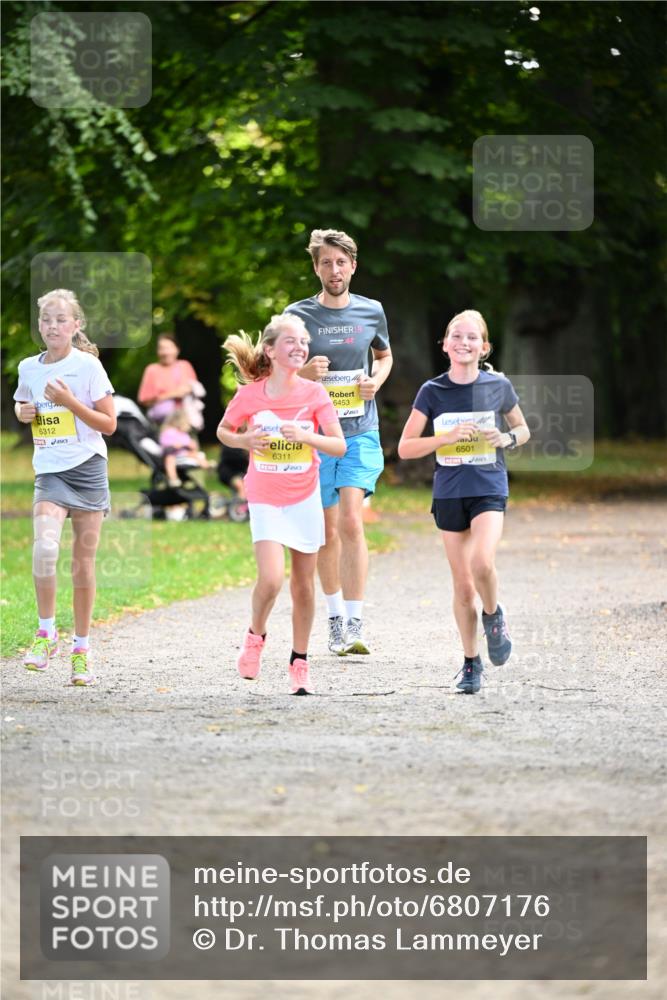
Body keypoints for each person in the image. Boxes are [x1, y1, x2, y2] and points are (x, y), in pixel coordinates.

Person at [398, 309, 530, 694]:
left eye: (472, 337)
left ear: (484, 346)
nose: (464, 342)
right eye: (456, 336)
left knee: (482, 562)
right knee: (461, 586)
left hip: (489, 485)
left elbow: (522, 429)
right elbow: (406, 448)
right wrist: (445, 437)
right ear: (444, 345)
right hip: (449, 491)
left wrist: (506, 439)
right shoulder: (432, 391)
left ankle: (494, 615)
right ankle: (471, 663)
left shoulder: (498, 386)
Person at [217, 313, 346, 695]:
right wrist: (245, 441)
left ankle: (300, 661)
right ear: (271, 350)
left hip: (305, 495)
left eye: (304, 341)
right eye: (291, 341)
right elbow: (224, 431)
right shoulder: (251, 395)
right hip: (265, 495)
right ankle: (255, 636)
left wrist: (308, 439)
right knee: (272, 579)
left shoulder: (315, 394)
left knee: (304, 585)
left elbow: (338, 444)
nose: (300, 347)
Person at [286, 228, 392, 657]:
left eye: (341, 262)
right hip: (315, 437)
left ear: (353, 265)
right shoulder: (297, 315)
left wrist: (374, 383)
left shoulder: (372, 311)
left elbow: (384, 357)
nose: (334, 270)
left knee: (351, 520)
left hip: (360, 431)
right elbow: (275, 370)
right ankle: (333, 621)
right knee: (327, 530)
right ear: (316, 267)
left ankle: (355, 621)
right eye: (326, 262)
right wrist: (304, 373)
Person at [13, 288, 117, 686]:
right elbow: (25, 407)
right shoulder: (28, 368)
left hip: (88, 469)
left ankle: (81, 649)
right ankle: (45, 633)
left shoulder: (87, 367)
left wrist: (70, 402)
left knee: (82, 565)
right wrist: (23, 412)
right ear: (39, 325)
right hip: (50, 472)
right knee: (44, 548)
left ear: (76, 326)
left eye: (60, 320)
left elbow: (108, 425)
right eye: (46, 320)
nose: (52, 326)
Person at [137, 332, 205, 429]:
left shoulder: (185, 366)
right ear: (157, 351)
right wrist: (173, 394)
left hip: (187, 421)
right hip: (163, 424)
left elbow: (196, 389)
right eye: (162, 348)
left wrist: (189, 389)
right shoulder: (152, 370)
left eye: (169, 348)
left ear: (177, 349)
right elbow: (144, 400)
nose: (166, 352)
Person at [158, 409, 214, 488]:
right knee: (170, 460)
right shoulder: (168, 432)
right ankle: (173, 479)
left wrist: (192, 446)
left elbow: (189, 445)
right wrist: (175, 445)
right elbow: (165, 445)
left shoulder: (183, 434)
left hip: (183, 454)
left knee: (196, 455)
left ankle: (207, 466)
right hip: (172, 454)